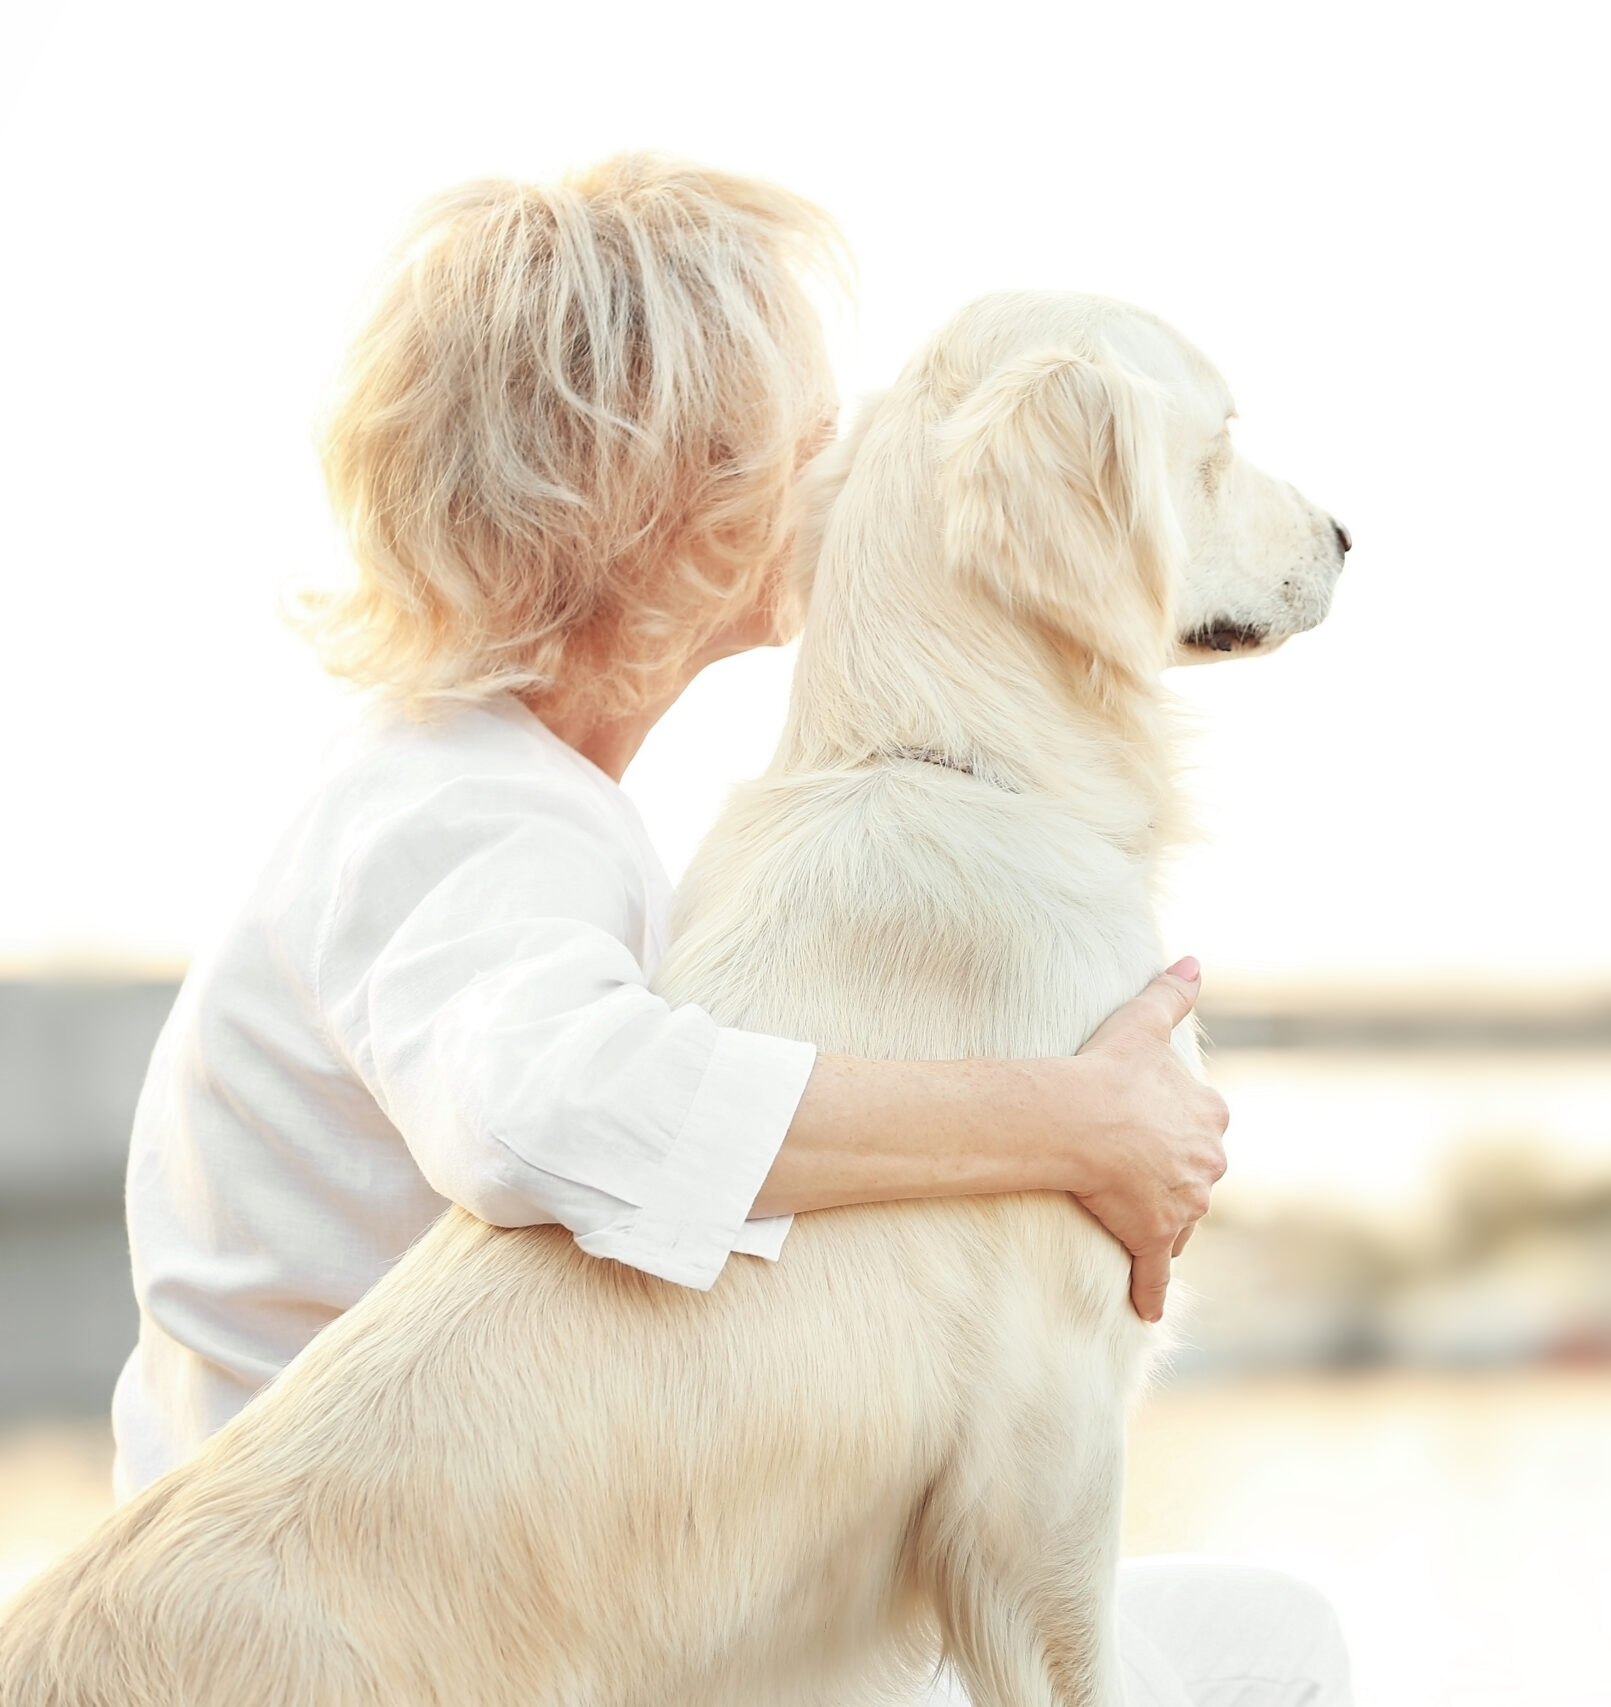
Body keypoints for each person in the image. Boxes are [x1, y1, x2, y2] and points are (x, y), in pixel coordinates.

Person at [112, 153, 1351, 1707]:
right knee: (1270, 1656)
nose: (860, 467)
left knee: (1267, 1634)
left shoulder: (509, 800)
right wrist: (1067, 1121)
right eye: (812, 441)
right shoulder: (464, 816)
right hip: (384, 1639)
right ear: (667, 504)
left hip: (529, 1589)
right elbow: (550, 1111)